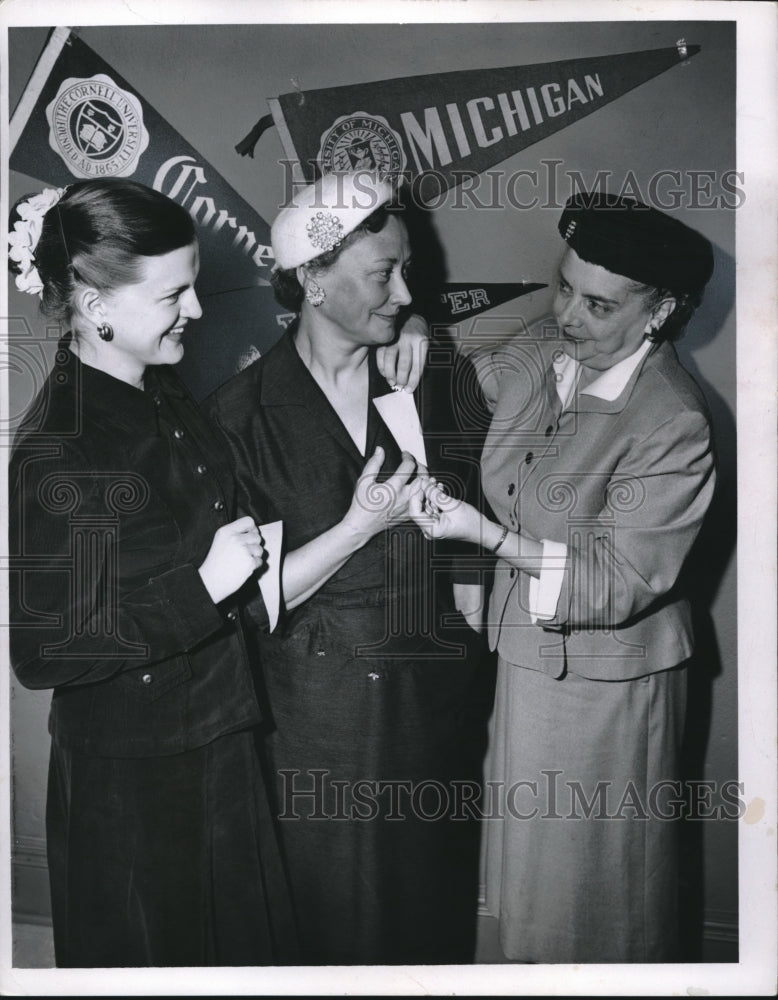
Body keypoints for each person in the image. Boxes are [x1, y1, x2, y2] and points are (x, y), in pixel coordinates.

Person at [6, 178, 423, 968]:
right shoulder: (61, 448)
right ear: (96, 304)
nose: (195, 311)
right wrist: (203, 584)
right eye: (173, 294)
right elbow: (47, 652)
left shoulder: (160, 390)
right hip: (138, 782)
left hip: (220, 739)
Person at [410, 191, 716, 963]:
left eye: (601, 304)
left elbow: (615, 582)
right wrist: (415, 326)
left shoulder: (672, 421)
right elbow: (459, 391)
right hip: (530, 660)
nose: (571, 315)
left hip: (608, 682)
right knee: (536, 892)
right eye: (565, 286)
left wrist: (484, 536)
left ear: (663, 310)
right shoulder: (551, 341)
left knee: (598, 898)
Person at [206, 172, 486, 966]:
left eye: (407, 271)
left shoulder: (428, 379)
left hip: (425, 710)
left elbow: (463, 545)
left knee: (426, 922)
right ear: (312, 282)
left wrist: (463, 649)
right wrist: (360, 528)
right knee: (325, 928)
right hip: (311, 724)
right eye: (381, 275)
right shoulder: (239, 416)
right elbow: (254, 603)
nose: (403, 291)